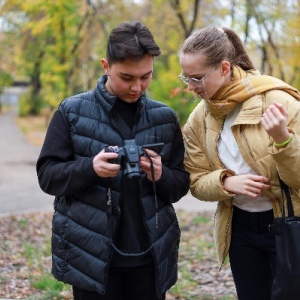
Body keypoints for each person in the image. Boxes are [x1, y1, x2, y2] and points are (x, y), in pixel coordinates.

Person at [36, 20, 190, 300]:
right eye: (127, 77)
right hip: (91, 260)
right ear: (106, 66)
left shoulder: (164, 118)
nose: (137, 87)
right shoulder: (71, 112)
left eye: (146, 76)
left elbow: (180, 185)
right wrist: (90, 168)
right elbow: (48, 176)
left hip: (151, 258)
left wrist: (162, 175)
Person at [178, 26, 300, 300]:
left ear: (223, 68)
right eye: (186, 77)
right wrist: (226, 182)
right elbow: (195, 181)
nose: (190, 87)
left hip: (288, 224)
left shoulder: (278, 101)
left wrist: (282, 139)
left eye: (197, 78)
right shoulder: (200, 117)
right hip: (240, 228)